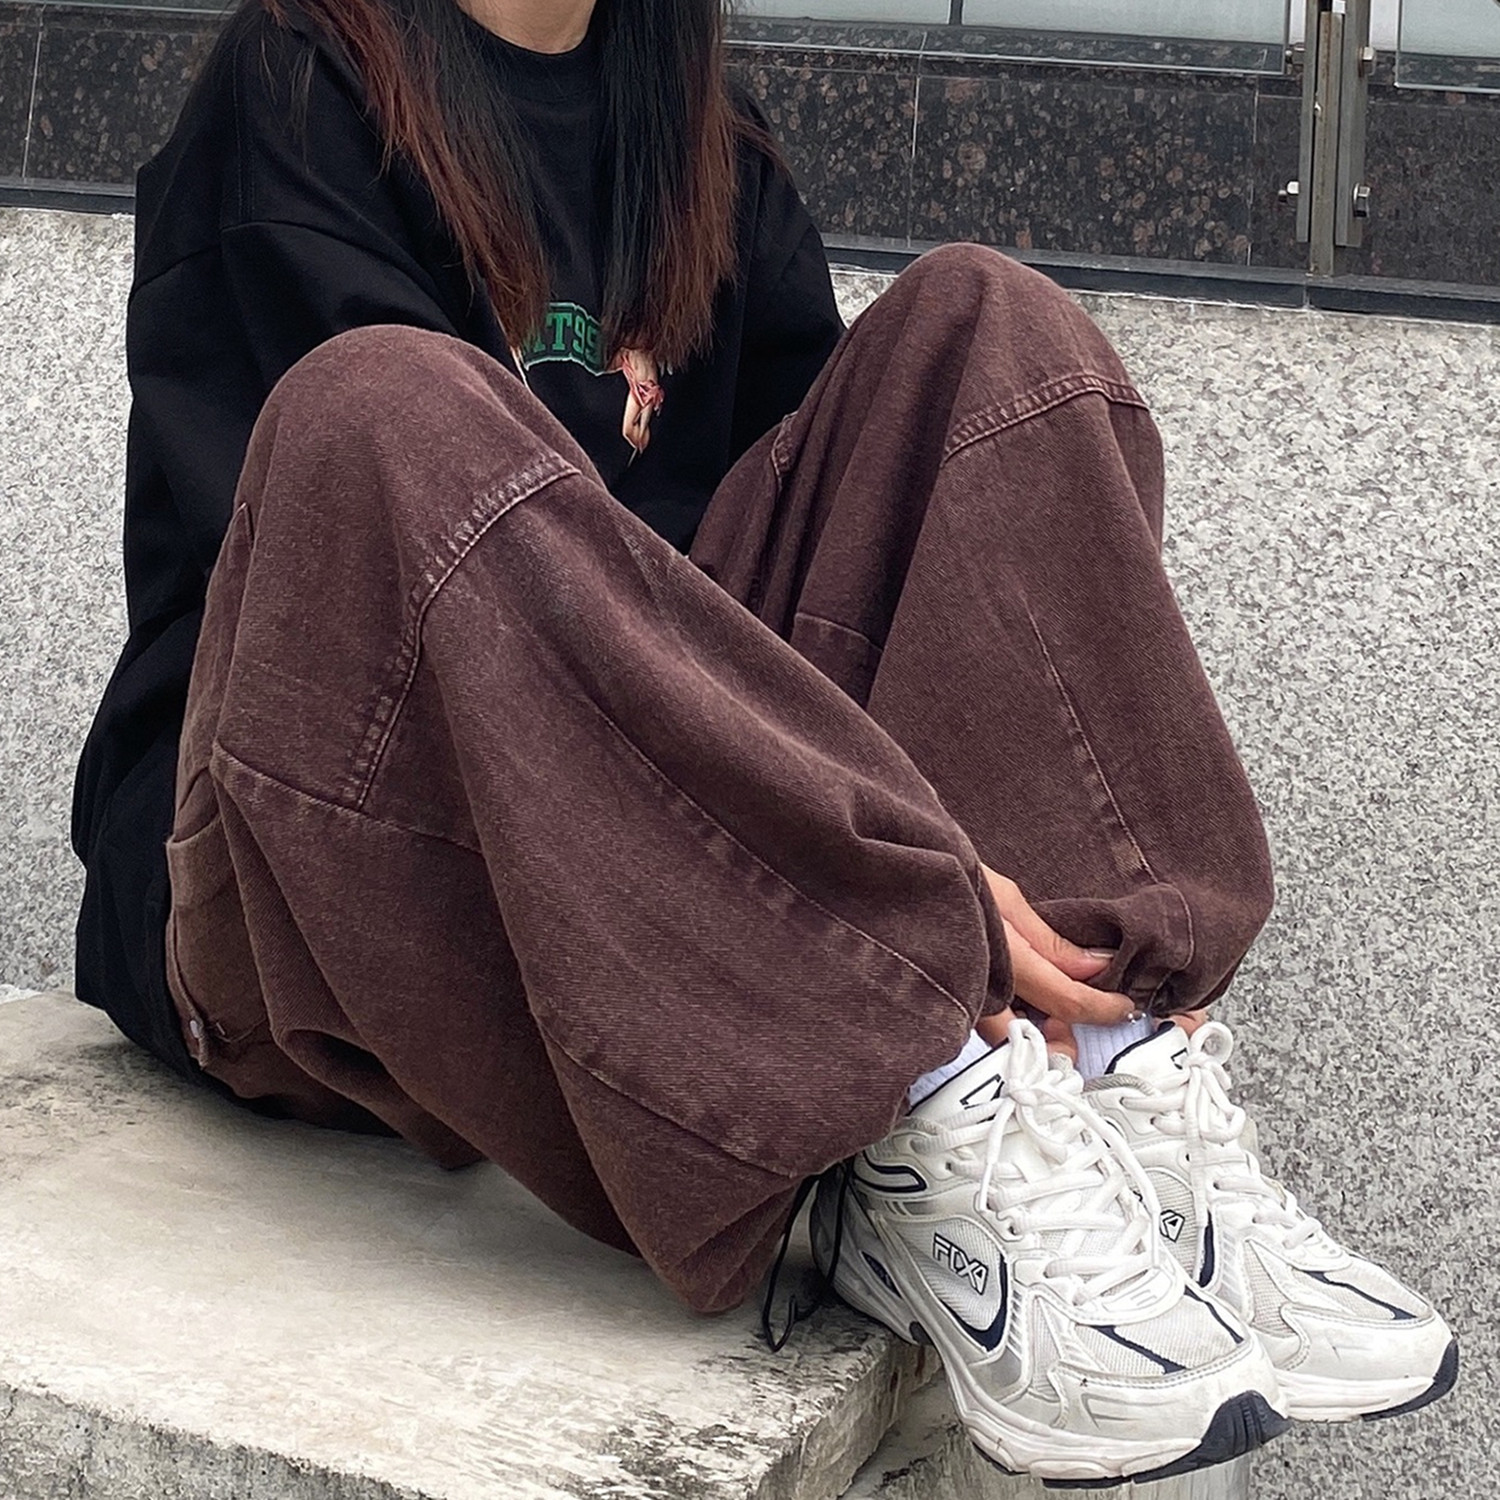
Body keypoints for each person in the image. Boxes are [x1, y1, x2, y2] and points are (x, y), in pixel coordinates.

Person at [70, 0, 1456, 1485]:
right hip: (307, 904)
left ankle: (1108, 1053)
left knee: (986, 324)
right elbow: (332, 610)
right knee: (383, 400)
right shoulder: (296, 82)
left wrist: (899, 853)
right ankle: (903, 1073)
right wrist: (882, 897)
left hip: (647, 911)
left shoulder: (696, 131)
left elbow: (848, 571)